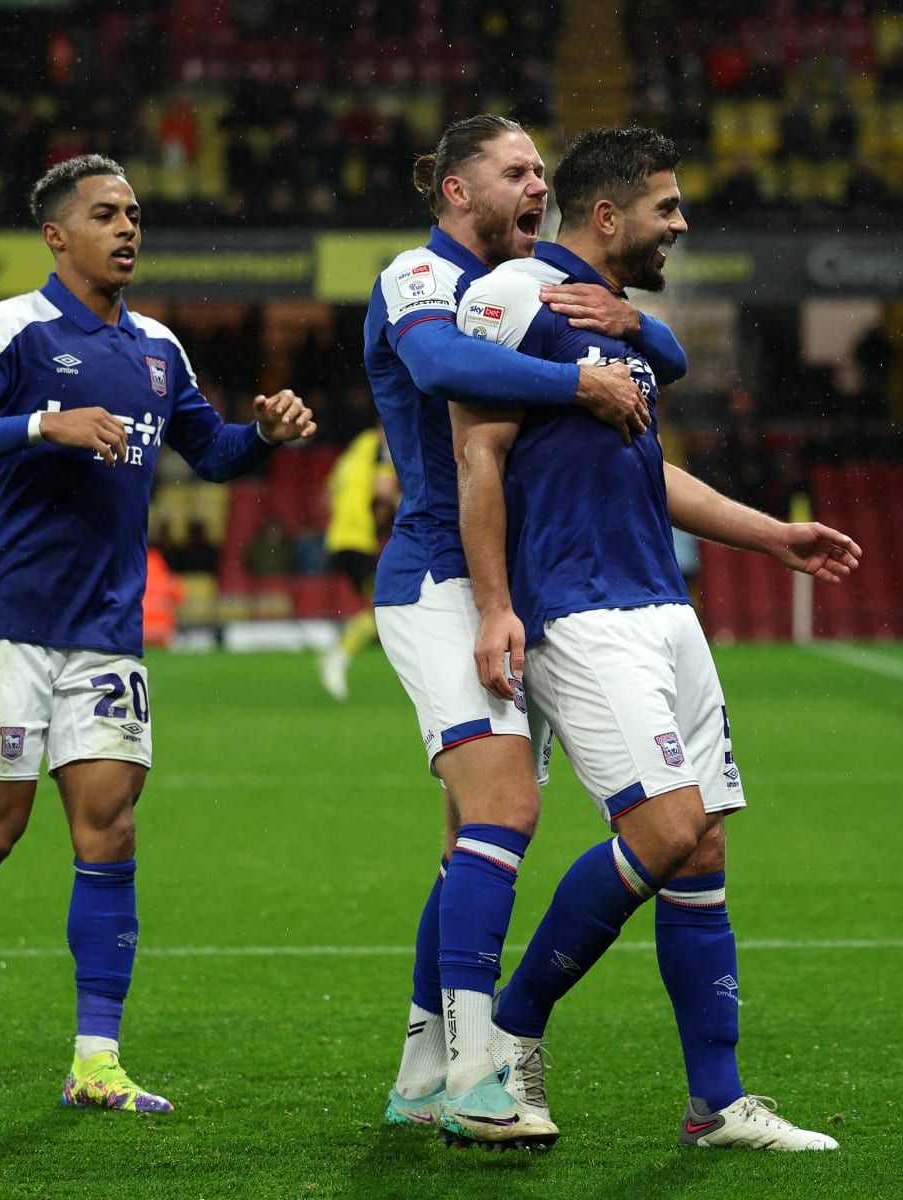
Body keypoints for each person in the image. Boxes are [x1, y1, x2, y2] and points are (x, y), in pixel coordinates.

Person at [451, 127, 863, 1151]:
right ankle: (508, 1034)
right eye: (667, 208)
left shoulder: (622, 323)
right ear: (607, 216)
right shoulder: (512, 300)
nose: (680, 224)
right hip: (580, 612)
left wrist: (775, 536)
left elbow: (651, 472)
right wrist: (497, 603)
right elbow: (480, 459)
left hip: (660, 607)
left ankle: (717, 1104)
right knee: (665, 827)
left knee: (704, 843)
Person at [0, 154, 315, 1114]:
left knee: (109, 828)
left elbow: (214, 451)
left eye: (135, 213)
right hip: (9, 627)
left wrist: (267, 435)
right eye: (105, 214)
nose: (127, 229)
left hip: (109, 633)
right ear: (55, 235)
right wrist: (41, 424)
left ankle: (96, 1064)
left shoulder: (159, 348)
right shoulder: (10, 331)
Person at [365, 114, 690, 1148]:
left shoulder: (524, 291)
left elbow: (662, 356)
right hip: (438, 578)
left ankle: (422, 1071)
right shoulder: (417, 274)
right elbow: (435, 371)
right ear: (457, 191)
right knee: (503, 808)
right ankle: (475, 1074)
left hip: (514, 581)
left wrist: (632, 334)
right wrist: (574, 379)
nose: (535, 185)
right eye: (514, 172)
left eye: (542, 170)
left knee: (477, 831)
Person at [317, 422, 399, 701]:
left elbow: (327, 495)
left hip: (337, 539)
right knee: (384, 605)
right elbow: (386, 490)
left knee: (381, 604)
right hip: (358, 539)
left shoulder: (356, 449)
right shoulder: (380, 451)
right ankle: (338, 656)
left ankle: (339, 654)